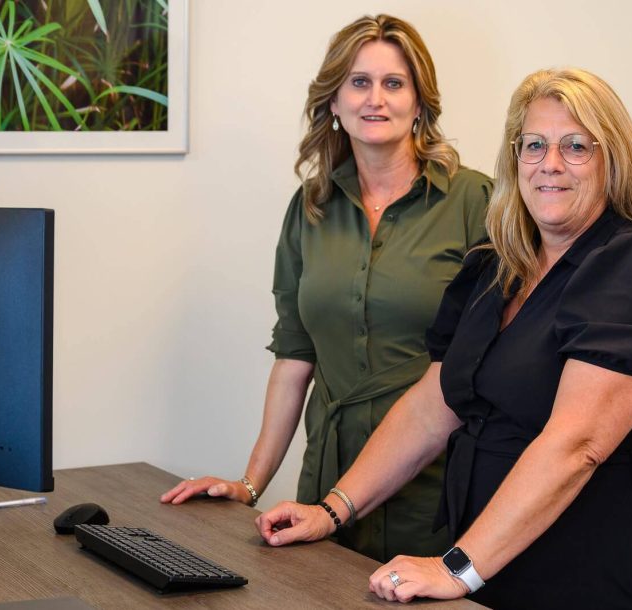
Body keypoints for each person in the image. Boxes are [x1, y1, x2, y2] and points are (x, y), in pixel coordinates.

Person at [255, 67, 632, 610]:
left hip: (599, 558)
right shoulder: (498, 264)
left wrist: (457, 568)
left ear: (614, 160)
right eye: (534, 145)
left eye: (577, 146)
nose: (551, 164)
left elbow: (577, 444)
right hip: (498, 554)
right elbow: (431, 406)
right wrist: (332, 510)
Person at [160, 14, 491, 563]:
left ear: (420, 103)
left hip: (443, 484)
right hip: (327, 484)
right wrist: (250, 484)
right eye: (358, 82)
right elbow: (295, 356)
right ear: (333, 103)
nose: (375, 99)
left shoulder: (475, 202)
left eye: (393, 83)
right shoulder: (310, 207)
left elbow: (494, 360)